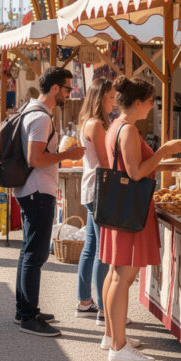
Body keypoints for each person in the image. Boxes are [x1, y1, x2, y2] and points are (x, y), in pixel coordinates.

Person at [101, 76, 181, 361]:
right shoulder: (127, 130)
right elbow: (136, 172)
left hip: (120, 206)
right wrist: (163, 152)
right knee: (123, 276)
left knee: (116, 274)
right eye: (150, 101)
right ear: (137, 103)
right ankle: (118, 346)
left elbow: (131, 167)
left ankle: (113, 336)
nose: (153, 105)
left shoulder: (116, 126)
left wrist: (162, 160)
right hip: (130, 209)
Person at [14, 67, 87, 337]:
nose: (69, 94)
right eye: (68, 89)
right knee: (35, 254)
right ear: (55, 88)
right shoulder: (41, 118)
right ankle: (29, 316)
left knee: (28, 251)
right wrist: (65, 154)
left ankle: (24, 309)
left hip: (30, 188)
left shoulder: (30, 110)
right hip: (37, 189)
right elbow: (35, 158)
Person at [75, 78, 114, 323]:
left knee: (90, 248)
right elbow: (105, 162)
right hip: (99, 189)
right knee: (101, 250)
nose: (113, 102)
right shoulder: (97, 124)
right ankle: (102, 307)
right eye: (110, 97)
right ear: (100, 98)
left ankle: (84, 301)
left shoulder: (87, 122)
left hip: (91, 187)